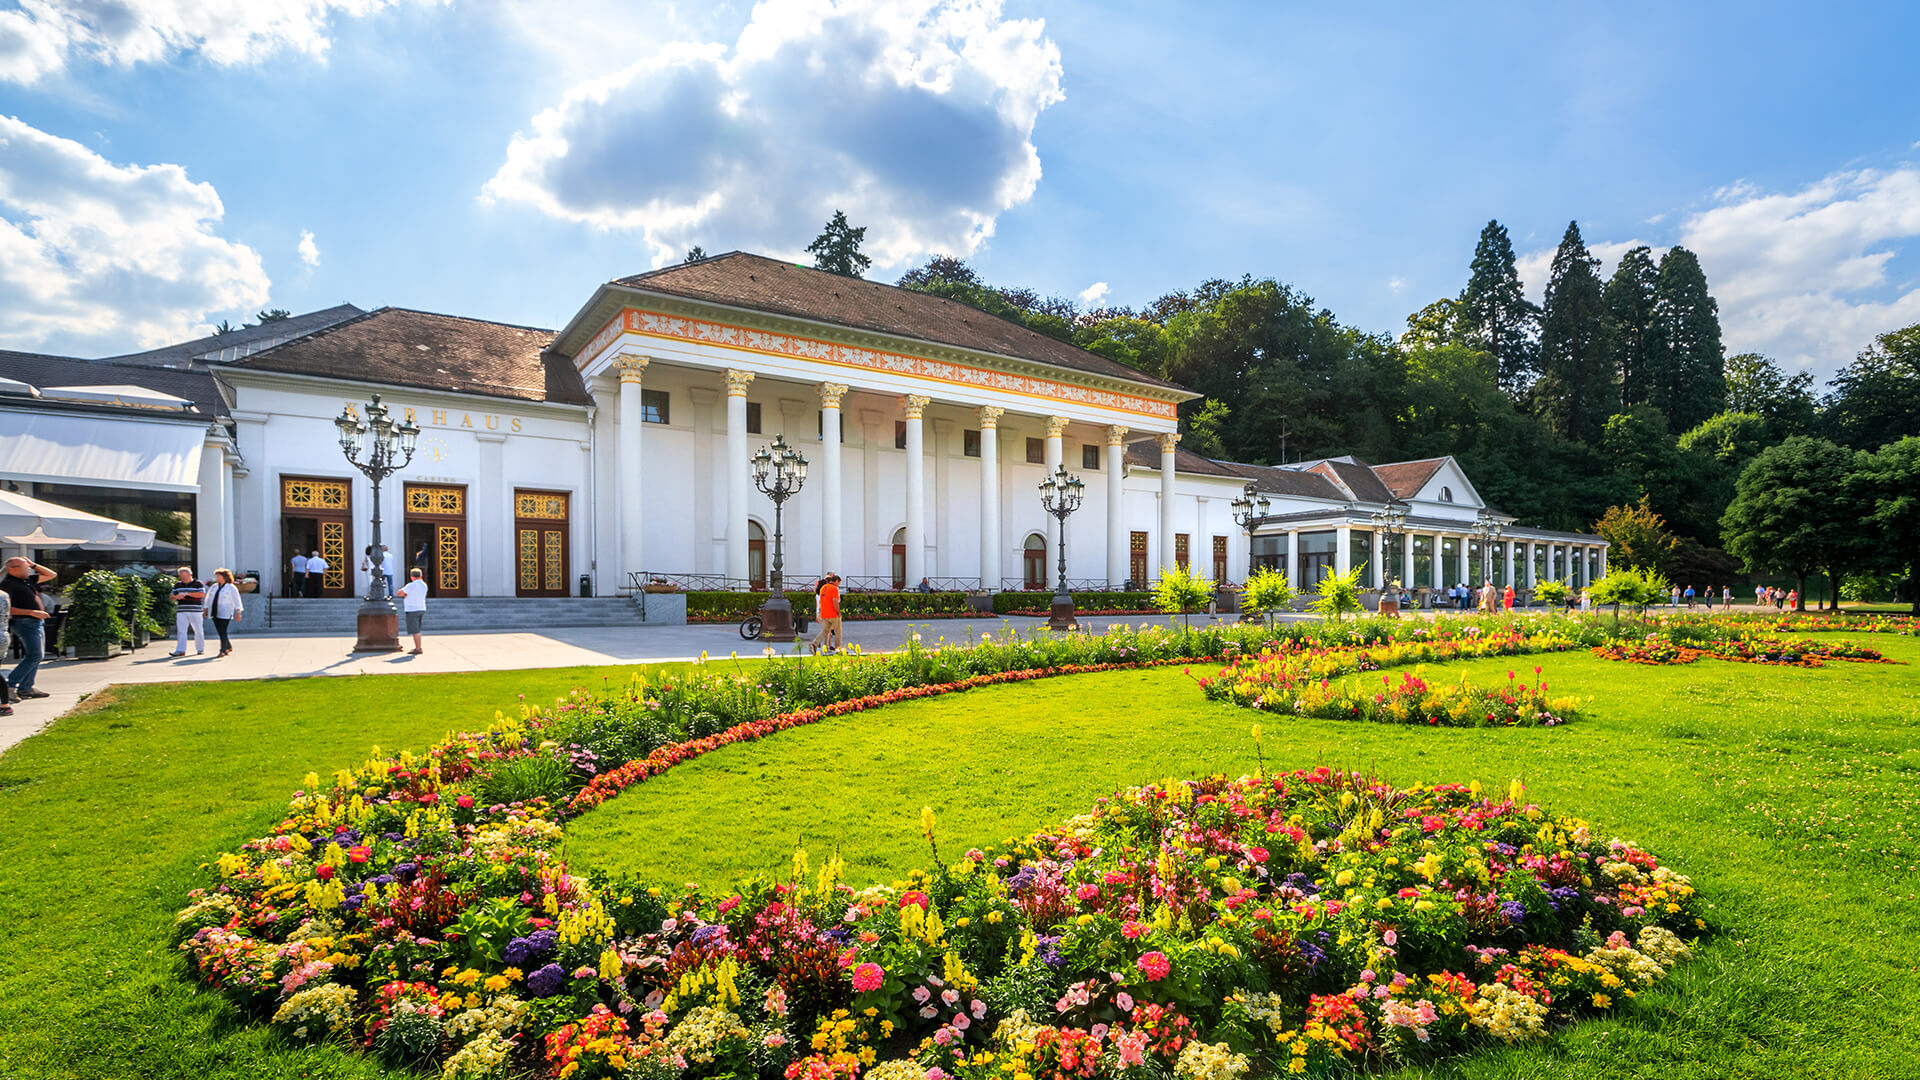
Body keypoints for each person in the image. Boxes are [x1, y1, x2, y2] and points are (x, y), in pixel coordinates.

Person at [4, 557, 55, 702]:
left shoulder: (27, 580)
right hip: (24, 622)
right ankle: (10, 685)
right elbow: (7, 608)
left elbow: (52, 575)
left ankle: (26, 688)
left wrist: (33, 564)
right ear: (12, 569)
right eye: (24, 567)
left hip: (36, 622)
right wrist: (32, 612)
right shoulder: (7, 584)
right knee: (35, 655)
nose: (28, 570)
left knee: (37, 656)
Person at [169, 567, 207, 656]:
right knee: (181, 631)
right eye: (181, 576)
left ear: (190, 575)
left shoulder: (198, 583)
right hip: (181, 610)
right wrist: (176, 597)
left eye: (185, 576)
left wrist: (187, 594)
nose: (183, 578)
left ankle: (200, 649)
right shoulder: (177, 585)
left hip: (196, 610)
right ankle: (180, 650)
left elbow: (201, 594)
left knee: (198, 630)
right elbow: (171, 596)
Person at [206, 568, 244, 657]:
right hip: (214, 611)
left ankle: (223, 650)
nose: (217, 578)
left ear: (224, 577)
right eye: (216, 576)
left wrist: (238, 612)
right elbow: (208, 598)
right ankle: (228, 646)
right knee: (220, 631)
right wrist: (205, 609)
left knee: (223, 630)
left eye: (219, 576)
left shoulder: (231, 587)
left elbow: (237, 600)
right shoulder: (214, 586)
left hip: (225, 611)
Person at [397, 567, 428, 654]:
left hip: (412, 609)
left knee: (415, 630)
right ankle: (418, 647)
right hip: (421, 607)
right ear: (421, 576)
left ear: (411, 576)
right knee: (417, 629)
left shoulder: (411, 585)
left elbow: (399, 593)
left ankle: (418, 648)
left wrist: (405, 594)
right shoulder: (424, 585)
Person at [811, 573, 843, 654]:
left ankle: (814, 644)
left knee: (824, 631)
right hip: (833, 614)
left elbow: (821, 602)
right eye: (839, 583)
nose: (838, 585)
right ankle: (838, 648)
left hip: (824, 614)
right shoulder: (834, 588)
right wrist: (839, 612)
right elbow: (835, 601)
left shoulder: (823, 588)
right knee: (838, 632)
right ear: (836, 581)